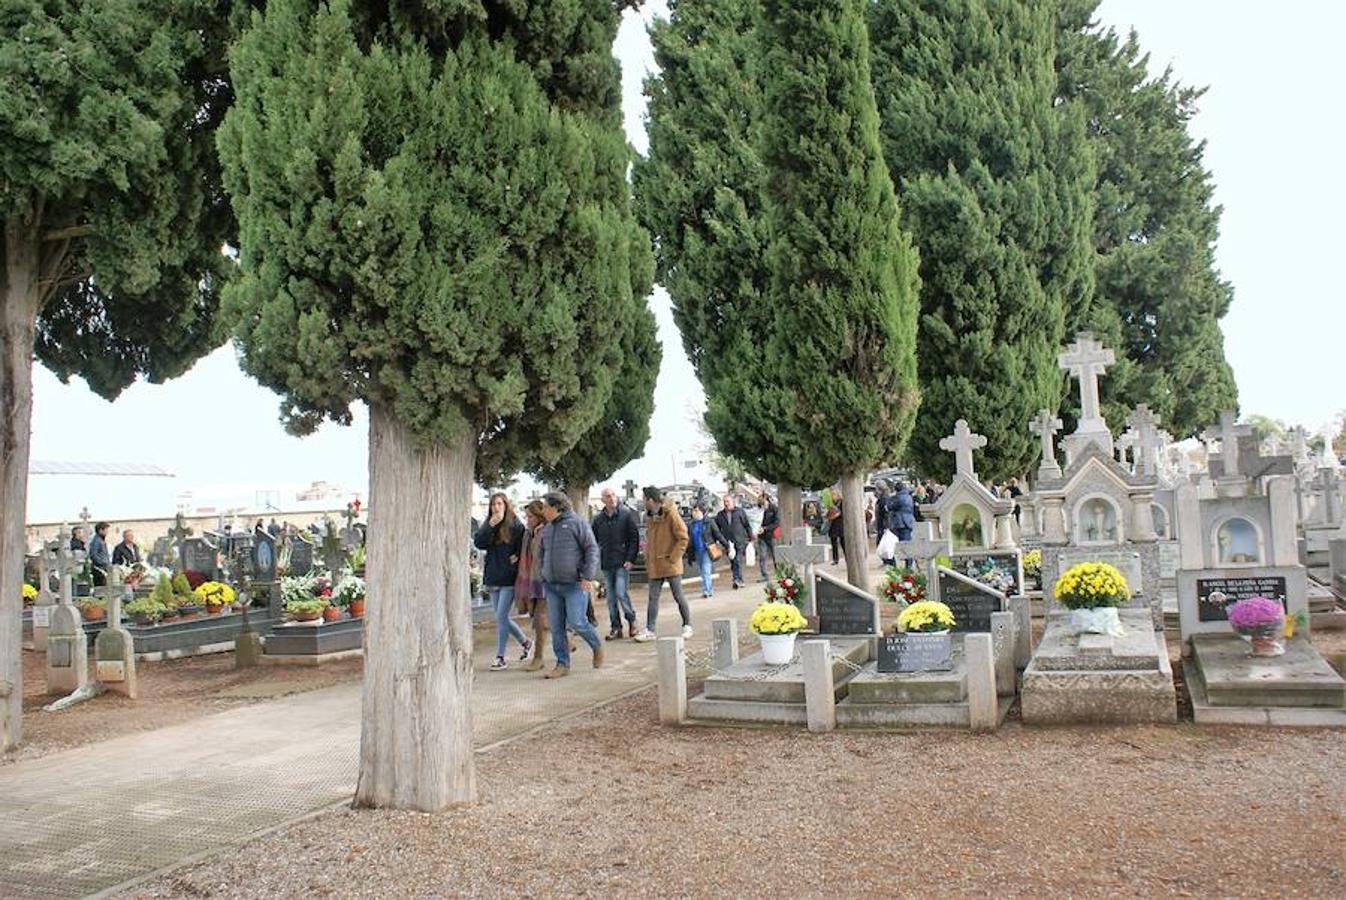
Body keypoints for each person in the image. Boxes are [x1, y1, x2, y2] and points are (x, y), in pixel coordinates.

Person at [537, 492, 603, 678]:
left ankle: (596, 646)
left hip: (574, 584)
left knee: (577, 622)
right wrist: (542, 572)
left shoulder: (577, 523)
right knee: (556, 627)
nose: (543, 511)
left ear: (556, 507)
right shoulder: (548, 528)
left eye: (546, 507)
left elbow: (591, 549)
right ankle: (562, 664)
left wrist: (587, 576)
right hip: (552, 584)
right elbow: (541, 552)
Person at [474, 492, 530, 671]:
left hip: (509, 577)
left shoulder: (515, 525)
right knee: (502, 618)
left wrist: (517, 559)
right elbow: (479, 543)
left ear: (506, 505)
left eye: (499, 504)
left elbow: (524, 547)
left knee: (500, 617)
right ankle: (526, 642)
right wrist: (490, 526)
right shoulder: (489, 525)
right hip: (493, 575)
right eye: (493, 505)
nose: (496, 507)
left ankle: (500, 657)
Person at [635, 487, 691, 642]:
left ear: (651, 500)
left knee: (678, 595)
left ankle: (687, 625)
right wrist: (647, 557)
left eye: (644, 499)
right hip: (655, 563)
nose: (643, 502)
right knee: (653, 597)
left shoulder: (671, 513)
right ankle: (650, 630)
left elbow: (683, 537)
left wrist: (673, 558)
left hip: (670, 563)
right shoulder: (649, 517)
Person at [591, 486, 640, 640]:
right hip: (607, 561)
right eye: (607, 496)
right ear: (603, 500)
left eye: (613, 495)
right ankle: (615, 627)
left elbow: (634, 538)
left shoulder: (625, 515)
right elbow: (593, 540)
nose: (611, 498)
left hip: (622, 561)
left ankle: (632, 620)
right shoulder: (599, 519)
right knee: (610, 597)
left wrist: (631, 559)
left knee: (621, 592)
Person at [515, 500, 555, 672]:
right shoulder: (528, 534)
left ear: (539, 516)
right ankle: (567, 642)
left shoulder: (547, 531)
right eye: (526, 516)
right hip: (532, 580)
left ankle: (538, 658)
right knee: (541, 619)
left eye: (530, 516)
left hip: (545, 580)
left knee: (540, 620)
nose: (527, 519)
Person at [714, 494, 753, 589]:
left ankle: (738, 580)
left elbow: (747, 525)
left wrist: (750, 538)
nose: (726, 504)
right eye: (725, 502)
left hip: (740, 540)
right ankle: (737, 578)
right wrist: (718, 541)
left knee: (737, 560)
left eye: (728, 501)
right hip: (728, 542)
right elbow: (717, 529)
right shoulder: (720, 515)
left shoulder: (740, 512)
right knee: (733, 561)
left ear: (733, 502)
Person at [689, 506, 723, 598]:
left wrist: (726, 544)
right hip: (697, 550)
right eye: (693, 510)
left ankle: (707, 590)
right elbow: (690, 539)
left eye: (696, 510)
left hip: (707, 550)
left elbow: (717, 534)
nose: (694, 512)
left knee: (705, 570)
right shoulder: (691, 524)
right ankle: (708, 589)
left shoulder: (709, 522)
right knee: (701, 571)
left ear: (702, 512)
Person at [757, 492, 779, 582]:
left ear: (768, 501)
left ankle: (779, 572)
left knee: (775, 555)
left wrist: (765, 528)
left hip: (771, 535)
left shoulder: (773, 508)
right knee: (762, 556)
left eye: (764, 503)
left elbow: (777, 522)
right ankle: (764, 575)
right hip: (761, 536)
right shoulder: (758, 509)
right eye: (761, 504)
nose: (763, 506)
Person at [826, 496, 844, 565]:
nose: (833, 496)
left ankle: (847, 557)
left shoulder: (842, 503)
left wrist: (835, 515)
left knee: (843, 542)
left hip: (840, 525)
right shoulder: (834, 503)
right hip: (833, 526)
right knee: (834, 543)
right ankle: (835, 559)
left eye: (834, 494)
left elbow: (842, 513)